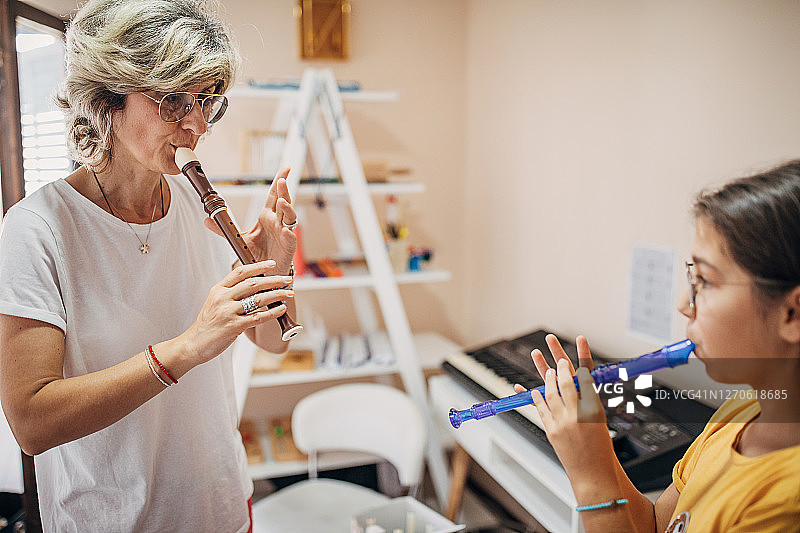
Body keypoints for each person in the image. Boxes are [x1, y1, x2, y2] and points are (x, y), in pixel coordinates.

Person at [0, 0, 298, 530]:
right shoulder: (37, 229)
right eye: (173, 100)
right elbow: (32, 421)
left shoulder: (197, 203)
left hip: (223, 508)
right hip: (113, 519)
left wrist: (275, 274)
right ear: (107, 97)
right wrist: (187, 348)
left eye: (207, 100)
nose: (198, 124)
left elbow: (274, 341)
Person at [514, 160, 800, 532]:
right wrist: (594, 445)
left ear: (792, 313)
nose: (684, 304)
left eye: (706, 282)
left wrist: (590, 474)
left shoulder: (784, 505)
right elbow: (655, 525)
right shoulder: (742, 413)